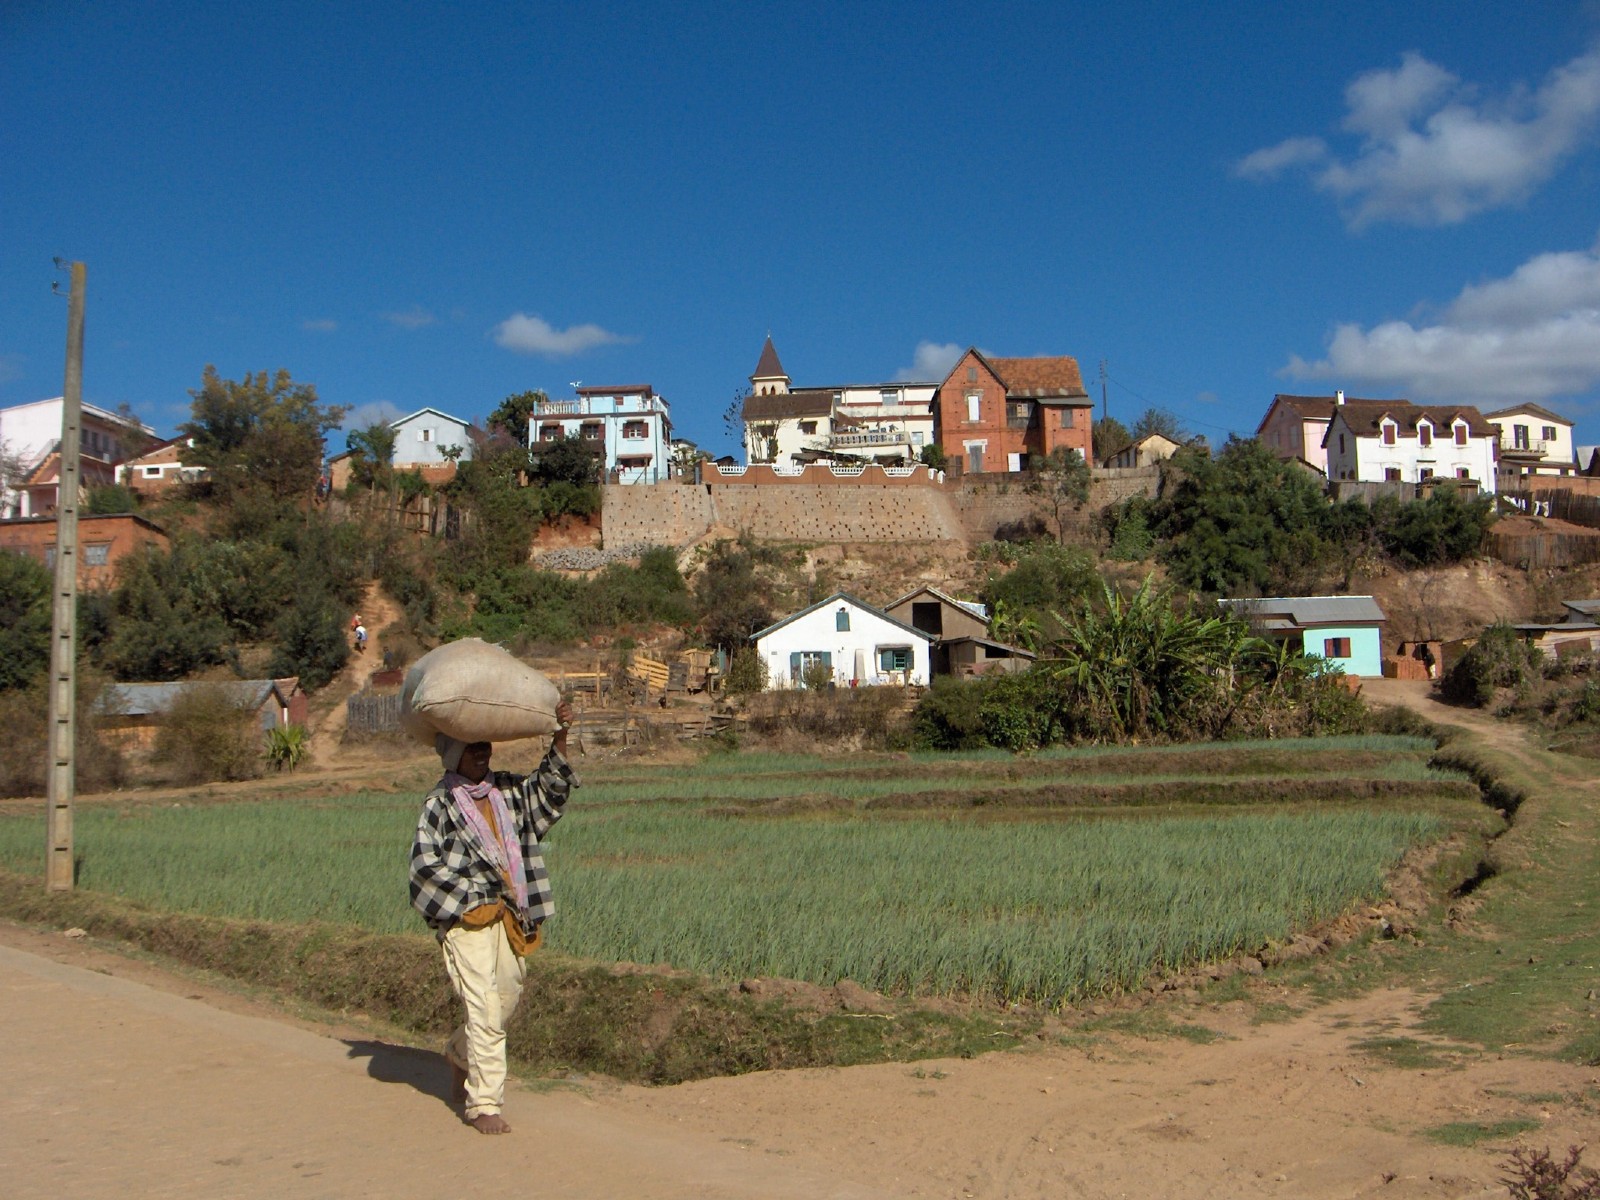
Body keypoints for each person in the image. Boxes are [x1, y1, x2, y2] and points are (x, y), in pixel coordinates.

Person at [409, 702, 577, 1134]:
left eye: (485, 745)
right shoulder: (440, 805)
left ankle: (459, 1054)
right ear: (452, 755)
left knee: (504, 1001)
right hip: (466, 921)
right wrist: (470, 897)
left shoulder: (506, 791)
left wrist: (559, 736)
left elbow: (548, 793)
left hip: (509, 916)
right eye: (472, 748)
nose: (483, 753)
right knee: (483, 1005)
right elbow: (424, 868)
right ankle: (484, 1104)